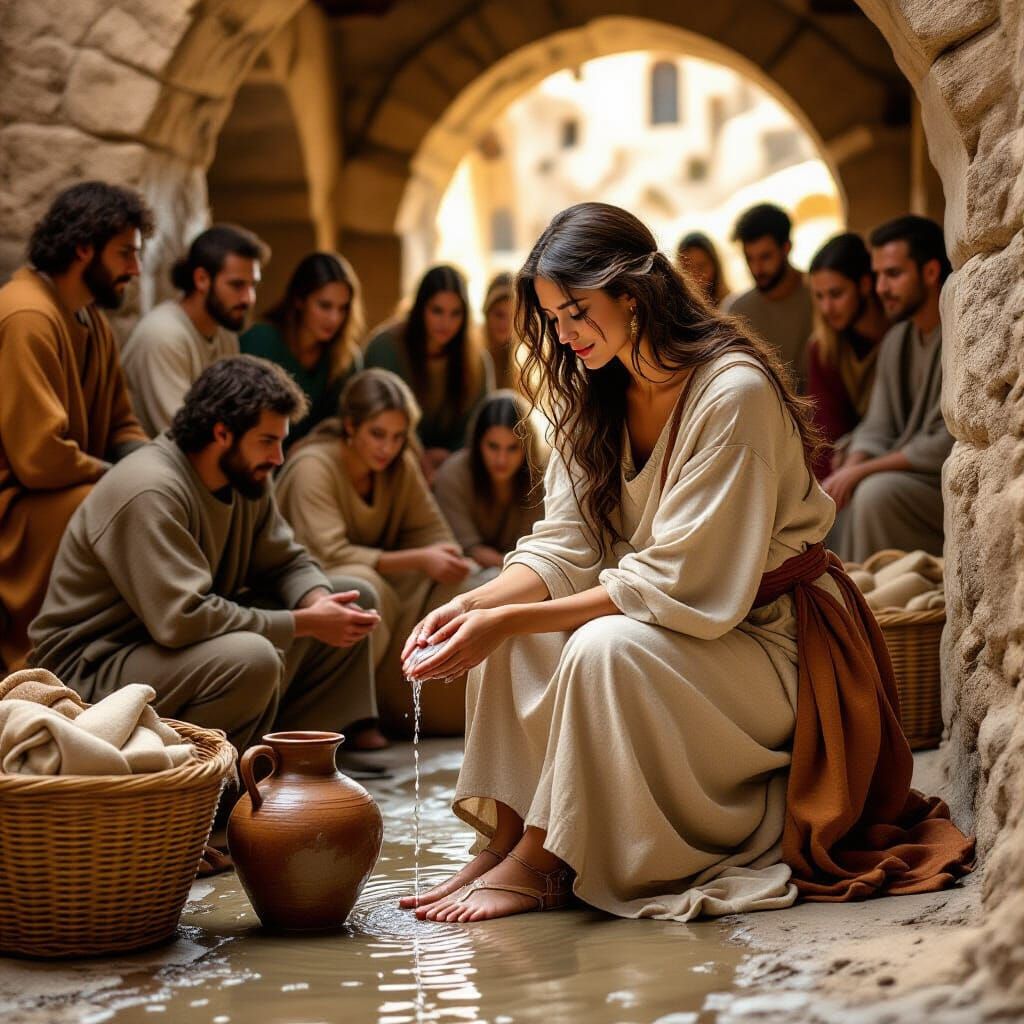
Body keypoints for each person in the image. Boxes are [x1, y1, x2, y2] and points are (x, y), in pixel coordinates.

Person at [398, 202, 972, 925]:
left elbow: (677, 582)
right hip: (677, 621)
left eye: (577, 311)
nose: (565, 334)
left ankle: (544, 863)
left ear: (632, 295)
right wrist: (478, 608)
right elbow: (564, 544)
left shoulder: (733, 392)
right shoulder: (593, 388)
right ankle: (509, 839)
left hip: (768, 639)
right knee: (507, 634)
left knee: (600, 651)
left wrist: (508, 616)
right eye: (553, 318)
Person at [29, 356, 381, 753]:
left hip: (169, 648)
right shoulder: (151, 490)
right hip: (94, 668)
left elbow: (285, 561)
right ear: (221, 433)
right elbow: (181, 619)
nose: (279, 458)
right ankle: (216, 786)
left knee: (354, 597)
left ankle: (300, 765)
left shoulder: (247, 475)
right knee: (253, 658)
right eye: (268, 441)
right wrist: (304, 622)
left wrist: (320, 604)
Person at [275, 368, 487, 736]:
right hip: (316, 586)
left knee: (471, 587)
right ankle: (355, 718)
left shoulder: (398, 465)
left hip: (388, 579)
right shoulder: (313, 467)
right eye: (377, 434)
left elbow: (431, 532)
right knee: (365, 588)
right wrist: (420, 559)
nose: (386, 448)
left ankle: (428, 709)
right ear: (351, 426)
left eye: (396, 437)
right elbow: (326, 555)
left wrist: (446, 556)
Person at [0, 182, 150, 671]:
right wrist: (117, 480)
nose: (136, 268)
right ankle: (60, 664)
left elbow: (122, 424)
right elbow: (39, 458)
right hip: (18, 507)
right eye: (125, 253)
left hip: (62, 486)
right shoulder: (28, 314)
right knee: (107, 508)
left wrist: (153, 472)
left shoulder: (88, 317)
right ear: (83, 247)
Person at [823, 216, 954, 561]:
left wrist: (862, 471)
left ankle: (873, 602)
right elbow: (877, 425)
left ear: (929, 272)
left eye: (893, 274)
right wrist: (850, 467)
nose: (880, 288)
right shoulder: (898, 339)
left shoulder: (958, 335)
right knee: (841, 494)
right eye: (878, 275)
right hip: (906, 474)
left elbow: (946, 443)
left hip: (941, 484)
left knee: (875, 492)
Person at [121, 224, 266, 435]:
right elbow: (187, 439)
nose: (249, 299)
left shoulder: (224, 333)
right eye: (237, 285)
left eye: (253, 285)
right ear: (201, 279)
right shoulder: (163, 336)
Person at [364, 265, 494, 481]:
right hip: (389, 460)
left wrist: (449, 457)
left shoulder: (477, 361)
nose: (446, 323)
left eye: (455, 313)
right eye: (437, 311)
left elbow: (478, 426)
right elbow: (374, 416)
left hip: (454, 468)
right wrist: (418, 456)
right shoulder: (385, 347)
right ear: (420, 308)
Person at [241, 251, 366, 448]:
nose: (335, 318)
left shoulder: (347, 359)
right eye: (325, 306)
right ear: (299, 300)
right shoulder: (260, 340)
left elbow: (344, 428)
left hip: (313, 462)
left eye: (343, 308)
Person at [433, 390, 545, 575]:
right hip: (465, 572)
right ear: (478, 444)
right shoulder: (453, 474)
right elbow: (466, 548)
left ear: (527, 447)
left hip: (522, 571)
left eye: (512, 448)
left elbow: (535, 545)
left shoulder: (541, 478)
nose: (501, 460)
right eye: (493, 446)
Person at [806, 233, 890, 479]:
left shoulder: (900, 335)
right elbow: (826, 431)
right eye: (819, 297)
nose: (826, 308)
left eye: (836, 294)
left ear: (864, 285)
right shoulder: (823, 349)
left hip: (889, 458)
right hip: (848, 462)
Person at [725, 204, 812, 389]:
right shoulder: (735, 312)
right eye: (749, 258)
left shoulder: (821, 296)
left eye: (765, 257)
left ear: (786, 248)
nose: (757, 269)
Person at [481, 272, 517, 390]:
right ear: (487, 314)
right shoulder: (472, 354)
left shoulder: (523, 360)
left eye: (512, 317)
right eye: (499, 315)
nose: (505, 324)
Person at [676, 231, 729, 307]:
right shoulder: (672, 309)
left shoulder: (730, 306)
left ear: (715, 267)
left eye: (701, 266)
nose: (694, 274)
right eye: (686, 267)